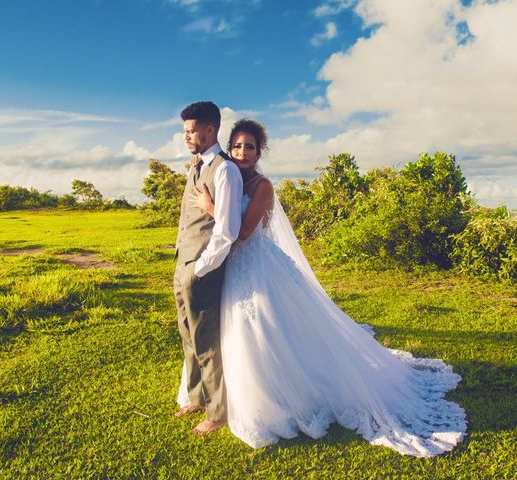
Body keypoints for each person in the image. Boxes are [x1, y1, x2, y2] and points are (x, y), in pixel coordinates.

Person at [180, 118, 467, 457]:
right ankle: (223, 395)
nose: (243, 152)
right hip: (234, 269)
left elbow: (242, 233)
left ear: (260, 152)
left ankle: (280, 397)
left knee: (267, 331)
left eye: (250, 147)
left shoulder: (262, 187)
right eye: (238, 146)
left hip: (257, 265)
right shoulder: (227, 176)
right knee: (234, 333)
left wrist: (211, 208)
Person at [173, 102, 243, 435]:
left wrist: (200, 269)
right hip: (183, 262)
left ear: (210, 130)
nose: (186, 136)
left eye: (191, 130)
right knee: (188, 335)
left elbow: (227, 230)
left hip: (201, 268)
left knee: (206, 340)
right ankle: (198, 397)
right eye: (185, 130)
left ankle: (217, 412)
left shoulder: (225, 170)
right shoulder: (197, 164)